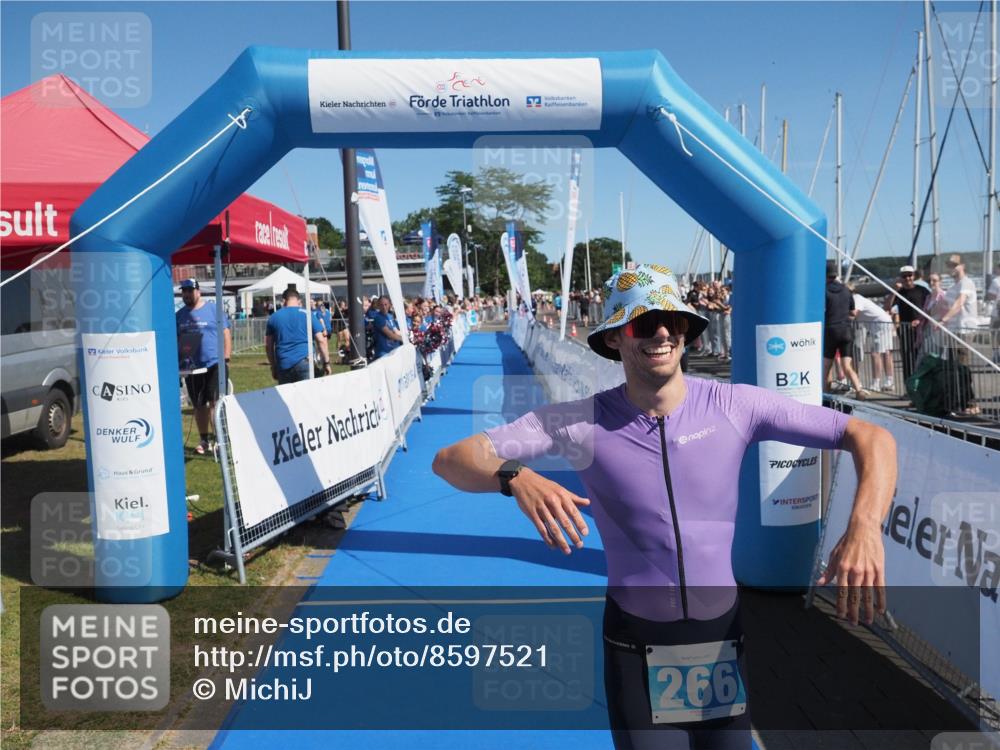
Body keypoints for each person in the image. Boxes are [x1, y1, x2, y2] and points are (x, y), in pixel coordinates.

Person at [433, 264, 895, 750]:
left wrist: (865, 525)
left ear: (686, 332)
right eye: (643, 323)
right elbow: (451, 460)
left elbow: (872, 438)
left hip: (721, 642)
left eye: (673, 322)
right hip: (636, 646)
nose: (660, 334)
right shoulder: (580, 422)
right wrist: (516, 476)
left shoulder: (734, 406)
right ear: (615, 338)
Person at [176, 278, 232, 455]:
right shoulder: (179, 315)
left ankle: (220, 439)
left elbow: (226, 333)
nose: (186, 294)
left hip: (215, 363)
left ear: (198, 292)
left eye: (190, 291)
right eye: (184, 291)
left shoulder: (213, 310)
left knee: (215, 402)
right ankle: (204, 439)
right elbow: (175, 340)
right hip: (191, 367)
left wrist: (226, 357)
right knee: (199, 404)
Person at [939, 255, 979, 415]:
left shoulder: (966, 283)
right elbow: (943, 304)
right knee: (952, 368)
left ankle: (970, 403)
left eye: (954, 265)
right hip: (953, 330)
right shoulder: (953, 286)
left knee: (961, 367)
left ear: (962, 266)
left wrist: (944, 319)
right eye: (949, 265)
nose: (951, 268)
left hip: (964, 330)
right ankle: (957, 402)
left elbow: (959, 303)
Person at [823, 261, 869, 399]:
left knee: (826, 366)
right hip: (846, 330)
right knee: (847, 366)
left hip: (831, 330)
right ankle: (859, 390)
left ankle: (825, 394)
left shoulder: (823, 290)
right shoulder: (846, 290)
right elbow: (853, 312)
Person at [265, 285, 328, 384]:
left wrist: (273, 366)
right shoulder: (307, 314)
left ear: (284, 300)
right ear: (298, 300)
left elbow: (268, 345)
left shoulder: (274, 317)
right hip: (305, 361)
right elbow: (321, 340)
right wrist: (326, 362)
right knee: (307, 393)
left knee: (286, 393)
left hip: (283, 363)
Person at [886, 265, 929, 387]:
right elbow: (887, 307)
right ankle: (909, 388)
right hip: (905, 330)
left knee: (922, 359)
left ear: (913, 276)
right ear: (901, 278)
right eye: (904, 276)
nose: (907, 278)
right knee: (907, 359)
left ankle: (922, 387)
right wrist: (894, 290)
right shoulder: (899, 292)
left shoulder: (922, 290)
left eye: (909, 275)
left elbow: (930, 307)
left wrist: (921, 320)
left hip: (921, 329)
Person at [853, 290, 894, 392]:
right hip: (882, 323)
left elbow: (854, 313)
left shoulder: (856, 298)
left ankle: (876, 383)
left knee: (876, 354)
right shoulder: (857, 298)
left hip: (880, 325)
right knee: (886, 353)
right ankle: (889, 381)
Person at [372, 294, 405, 360]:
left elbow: (396, 331)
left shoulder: (390, 316)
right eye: (381, 305)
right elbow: (390, 335)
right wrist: (403, 339)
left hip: (394, 351)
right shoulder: (378, 318)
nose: (384, 307)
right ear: (378, 305)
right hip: (384, 353)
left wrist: (406, 335)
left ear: (389, 304)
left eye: (386, 304)